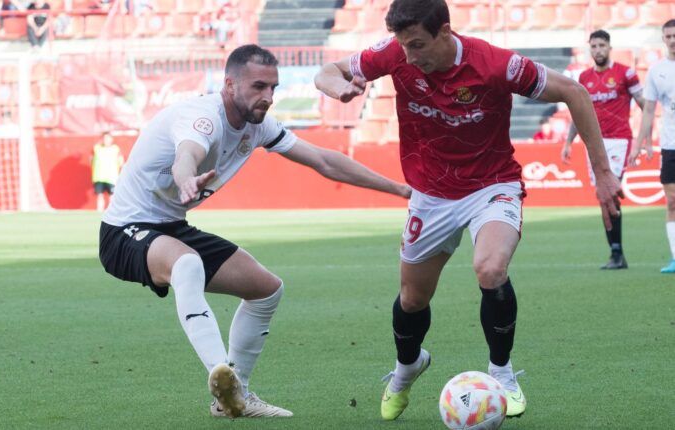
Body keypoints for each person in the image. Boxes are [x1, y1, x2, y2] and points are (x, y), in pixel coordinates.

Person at [314, 0, 621, 422]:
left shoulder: (494, 64)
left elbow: (574, 91)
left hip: (492, 184)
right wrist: (337, 87)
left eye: (418, 45)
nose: (409, 57)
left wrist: (602, 173)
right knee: (412, 297)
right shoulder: (394, 53)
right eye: (404, 47)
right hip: (431, 194)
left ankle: (503, 375)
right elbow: (327, 71)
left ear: (445, 33)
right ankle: (407, 369)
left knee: (490, 268)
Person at [98, 44, 411, 419]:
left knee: (265, 289)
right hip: (122, 232)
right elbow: (187, 156)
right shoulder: (203, 118)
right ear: (229, 85)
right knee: (187, 264)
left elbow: (325, 161)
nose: (268, 97)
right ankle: (220, 372)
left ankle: (233, 399)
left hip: (169, 227)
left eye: (274, 88)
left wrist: (401, 190)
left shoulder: (259, 126)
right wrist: (185, 181)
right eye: (258, 86)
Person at [561, 30, 645, 270]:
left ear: (609, 47)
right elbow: (579, 114)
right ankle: (616, 253)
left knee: (609, 191)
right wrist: (568, 142)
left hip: (619, 140)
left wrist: (645, 139)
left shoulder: (625, 73)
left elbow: (643, 105)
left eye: (601, 45)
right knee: (602, 197)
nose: (597, 50)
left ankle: (617, 253)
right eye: (594, 46)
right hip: (594, 143)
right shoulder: (584, 78)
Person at [629, 20, 675, 273]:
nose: (672, 40)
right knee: (671, 202)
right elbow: (648, 110)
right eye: (668, 36)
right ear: (663, 39)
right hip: (670, 145)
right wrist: (639, 144)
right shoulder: (657, 71)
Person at [92, 132, 124, 212]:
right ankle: (99, 213)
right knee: (100, 195)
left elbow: (121, 161)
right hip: (99, 177)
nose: (106, 140)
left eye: (108, 138)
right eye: (104, 138)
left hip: (112, 177)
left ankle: (111, 212)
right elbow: (91, 160)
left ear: (111, 139)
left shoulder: (115, 149)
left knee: (112, 196)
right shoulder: (97, 148)